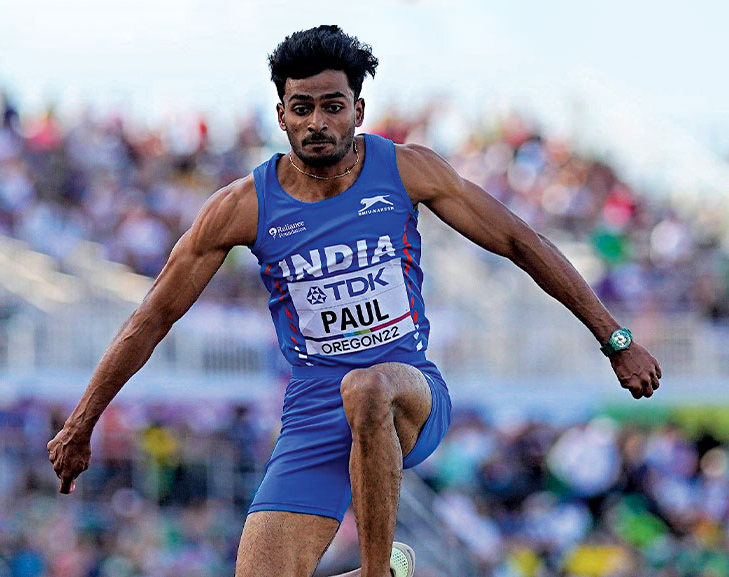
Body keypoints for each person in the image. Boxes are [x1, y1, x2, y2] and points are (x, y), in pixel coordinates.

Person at [47, 25, 663, 577]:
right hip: (314, 420)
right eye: (303, 108)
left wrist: (616, 338)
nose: (318, 122)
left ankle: (378, 570)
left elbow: (518, 242)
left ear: (358, 110)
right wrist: (81, 424)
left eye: (333, 107)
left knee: (366, 387)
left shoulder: (409, 171)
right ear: (282, 115)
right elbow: (153, 315)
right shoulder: (244, 206)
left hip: (407, 395)